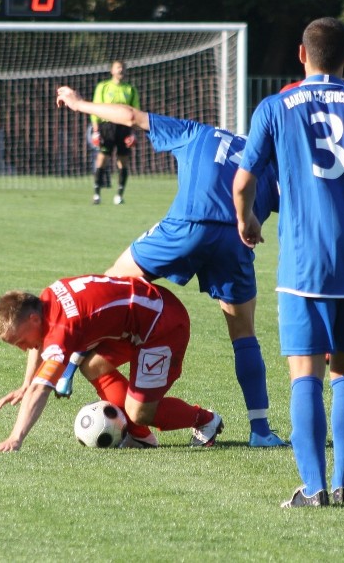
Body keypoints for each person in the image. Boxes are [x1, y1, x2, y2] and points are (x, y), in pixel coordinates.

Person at [233, 17, 344, 507]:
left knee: (304, 374)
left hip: (302, 263)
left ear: (301, 54)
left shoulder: (274, 106)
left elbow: (243, 183)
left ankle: (312, 490)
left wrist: (247, 221)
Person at [55, 85, 288, 448]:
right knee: (244, 336)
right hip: (235, 239)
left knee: (111, 282)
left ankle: (69, 367)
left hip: (188, 226)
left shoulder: (197, 131)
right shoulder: (271, 160)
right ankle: (260, 431)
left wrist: (78, 103)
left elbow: (131, 116)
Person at [0, 275, 224, 452]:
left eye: (20, 341)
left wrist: (15, 438)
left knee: (140, 411)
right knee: (92, 366)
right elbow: (39, 344)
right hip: (138, 321)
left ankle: (206, 420)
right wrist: (26, 383)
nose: (24, 348)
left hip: (162, 326)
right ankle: (140, 438)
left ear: (33, 318)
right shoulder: (47, 297)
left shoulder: (62, 329)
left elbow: (41, 389)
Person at [90, 60, 140, 205]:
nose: (121, 70)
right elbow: (95, 108)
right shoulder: (103, 87)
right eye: (118, 67)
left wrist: (133, 133)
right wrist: (95, 131)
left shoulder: (130, 89)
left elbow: (136, 112)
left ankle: (119, 195)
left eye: (123, 68)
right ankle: (96, 194)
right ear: (112, 70)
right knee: (102, 159)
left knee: (122, 161)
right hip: (107, 126)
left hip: (124, 127)